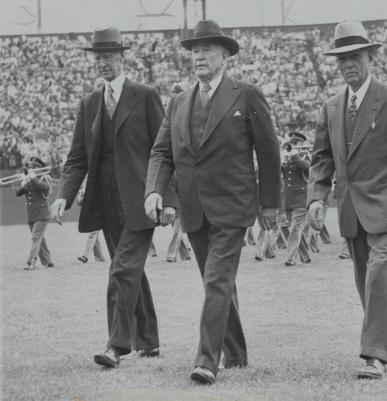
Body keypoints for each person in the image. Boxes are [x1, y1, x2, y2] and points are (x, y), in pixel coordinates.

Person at [144, 19, 281, 384]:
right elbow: (161, 152)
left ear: (225, 56)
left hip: (234, 207)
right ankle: (236, 353)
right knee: (215, 282)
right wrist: (155, 190)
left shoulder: (247, 94)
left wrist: (270, 203)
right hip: (193, 209)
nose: (199, 56)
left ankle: (208, 359)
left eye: (206, 49)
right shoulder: (178, 101)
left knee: (218, 279)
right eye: (194, 50)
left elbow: (269, 151)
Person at [307, 21, 387, 379]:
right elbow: (322, 159)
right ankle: (386, 344)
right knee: (365, 279)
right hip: (350, 210)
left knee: (379, 272)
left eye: (355, 56)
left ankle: (374, 354)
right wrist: (316, 198)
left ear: (371, 56)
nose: (349, 64)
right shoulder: (331, 107)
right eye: (342, 59)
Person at [51, 27, 175, 368]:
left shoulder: (145, 95)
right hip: (105, 203)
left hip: (142, 202)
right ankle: (148, 342)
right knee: (132, 270)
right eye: (98, 57)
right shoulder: (89, 103)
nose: (102, 63)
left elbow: (165, 150)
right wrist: (64, 194)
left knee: (122, 269)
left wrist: (168, 197)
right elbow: (77, 157)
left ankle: (117, 345)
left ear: (122, 57)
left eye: (108, 56)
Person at [15, 157, 54, 270]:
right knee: (40, 238)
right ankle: (48, 261)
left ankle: (31, 262)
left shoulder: (44, 177)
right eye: (30, 168)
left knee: (36, 237)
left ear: (38, 169)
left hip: (42, 214)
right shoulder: (28, 181)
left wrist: (34, 178)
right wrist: (23, 182)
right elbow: (17, 193)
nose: (30, 170)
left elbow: (46, 189)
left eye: (33, 168)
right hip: (31, 214)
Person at [281, 132, 311, 266]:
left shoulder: (306, 157)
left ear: (301, 144)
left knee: (295, 229)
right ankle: (306, 256)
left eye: (295, 143)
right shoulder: (288, 159)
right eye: (291, 143)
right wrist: (282, 158)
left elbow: (306, 168)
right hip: (288, 199)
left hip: (300, 199)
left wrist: (295, 156)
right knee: (294, 229)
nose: (292, 145)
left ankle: (290, 258)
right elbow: (281, 172)